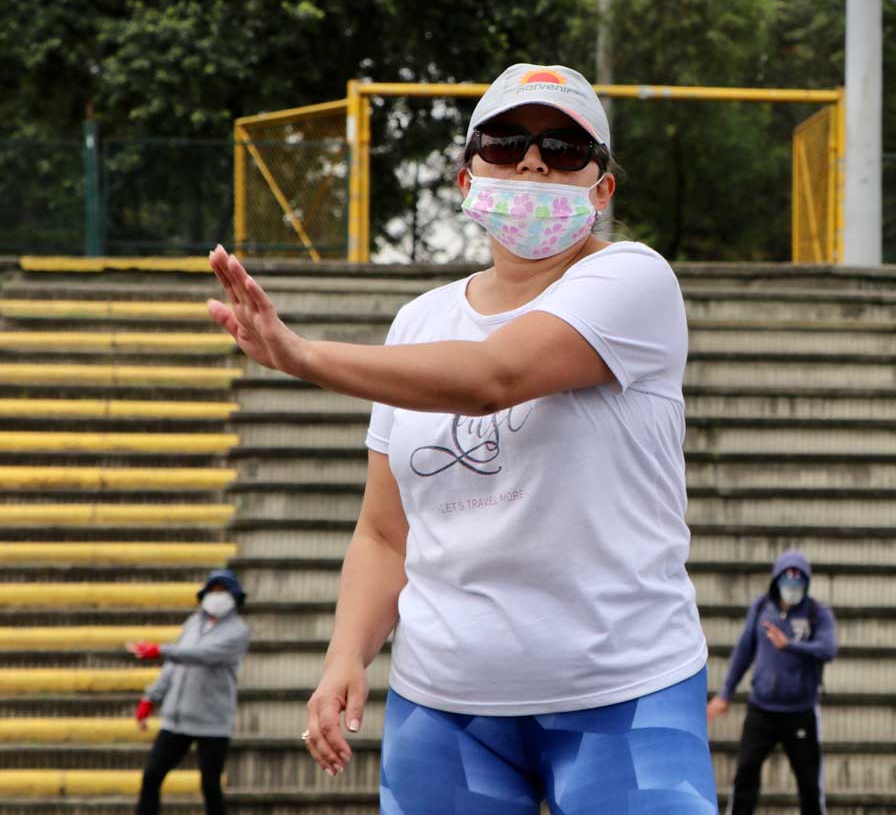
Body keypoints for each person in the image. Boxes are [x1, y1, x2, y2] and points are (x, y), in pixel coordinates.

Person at [202, 64, 717, 815]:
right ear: (466, 176)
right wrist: (347, 653)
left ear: (602, 188)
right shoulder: (418, 322)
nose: (533, 162)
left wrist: (302, 356)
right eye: (505, 143)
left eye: (565, 149)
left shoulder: (635, 281)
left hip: (624, 692)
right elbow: (384, 532)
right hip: (446, 706)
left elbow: (493, 376)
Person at [708, 550, 837, 815]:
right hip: (762, 711)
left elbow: (828, 649)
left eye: (798, 583)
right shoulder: (761, 608)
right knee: (745, 775)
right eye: (787, 582)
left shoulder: (817, 613)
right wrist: (725, 694)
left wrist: (788, 645)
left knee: (810, 785)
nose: (792, 588)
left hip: (800, 712)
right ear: (776, 581)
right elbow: (743, 652)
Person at [129, 568, 250, 815]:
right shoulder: (194, 623)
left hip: (212, 723)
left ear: (234, 596)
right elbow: (174, 665)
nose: (218, 595)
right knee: (152, 776)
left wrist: (161, 650)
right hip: (177, 719)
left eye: (224, 591)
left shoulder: (238, 631)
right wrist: (150, 697)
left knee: (210, 786)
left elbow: (203, 655)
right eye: (214, 590)